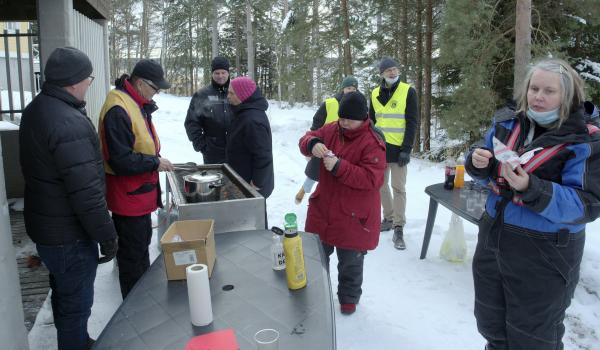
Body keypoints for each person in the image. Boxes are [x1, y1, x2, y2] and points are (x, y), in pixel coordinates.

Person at [466, 58, 600, 349]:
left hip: (545, 252)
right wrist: (478, 163)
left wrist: (532, 187)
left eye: (549, 91)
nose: (538, 96)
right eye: (534, 88)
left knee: (533, 339)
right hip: (494, 240)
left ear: (568, 95)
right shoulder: (507, 123)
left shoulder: (585, 140)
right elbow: (486, 170)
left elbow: (587, 205)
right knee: (491, 325)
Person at [19, 46, 117, 350]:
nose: (90, 82)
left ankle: (76, 340)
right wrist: (107, 236)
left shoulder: (39, 107)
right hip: (69, 235)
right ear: (74, 81)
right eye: (88, 77)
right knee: (76, 305)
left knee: (63, 294)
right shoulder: (68, 123)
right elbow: (86, 194)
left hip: (49, 228)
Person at [299, 91, 386, 315]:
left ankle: (348, 299)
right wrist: (313, 143)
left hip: (354, 215)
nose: (344, 123)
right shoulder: (332, 129)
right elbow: (306, 137)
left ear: (363, 117)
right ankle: (318, 293)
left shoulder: (373, 141)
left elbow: (372, 179)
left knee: (351, 262)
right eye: (342, 118)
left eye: (350, 119)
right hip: (324, 207)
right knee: (316, 256)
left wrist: (339, 166)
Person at [98, 59, 174, 298]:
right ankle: (134, 308)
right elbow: (120, 160)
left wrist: (155, 157)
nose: (157, 94)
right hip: (128, 198)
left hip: (139, 196)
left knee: (140, 249)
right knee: (132, 257)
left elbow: (141, 143)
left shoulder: (136, 102)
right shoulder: (118, 108)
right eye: (155, 88)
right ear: (140, 83)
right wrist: (154, 162)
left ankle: (143, 299)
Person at [370, 57, 419, 250]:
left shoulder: (408, 91)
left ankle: (399, 226)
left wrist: (407, 149)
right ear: (381, 73)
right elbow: (371, 123)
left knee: (398, 188)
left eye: (395, 69)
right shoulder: (374, 93)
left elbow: (413, 122)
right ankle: (388, 218)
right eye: (388, 70)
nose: (392, 72)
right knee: (380, 185)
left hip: (399, 151)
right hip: (379, 149)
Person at [295, 75, 359, 204]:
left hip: (346, 147)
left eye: (353, 88)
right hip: (325, 146)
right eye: (348, 88)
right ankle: (304, 190)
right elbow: (316, 124)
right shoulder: (330, 103)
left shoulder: (359, 104)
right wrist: (314, 142)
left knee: (339, 176)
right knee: (314, 174)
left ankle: (333, 201)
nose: (351, 90)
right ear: (343, 89)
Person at [226, 76, 274, 199]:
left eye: (232, 93)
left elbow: (263, 155)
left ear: (243, 95)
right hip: (242, 178)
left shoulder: (252, 120)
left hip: (252, 185)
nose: (228, 96)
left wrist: (258, 182)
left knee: (253, 217)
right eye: (228, 92)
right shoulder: (243, 112)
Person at [184, 56, 233, 164]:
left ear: (228, 73)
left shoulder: (235, 92)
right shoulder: (202, 95)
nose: (220, 76)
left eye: (223, 72)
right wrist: (201, 145)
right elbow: (191, 122)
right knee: (215, 180)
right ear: (212, 74)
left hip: (237, 150)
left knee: (235, 180)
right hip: (213, 153)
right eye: (217, 73)